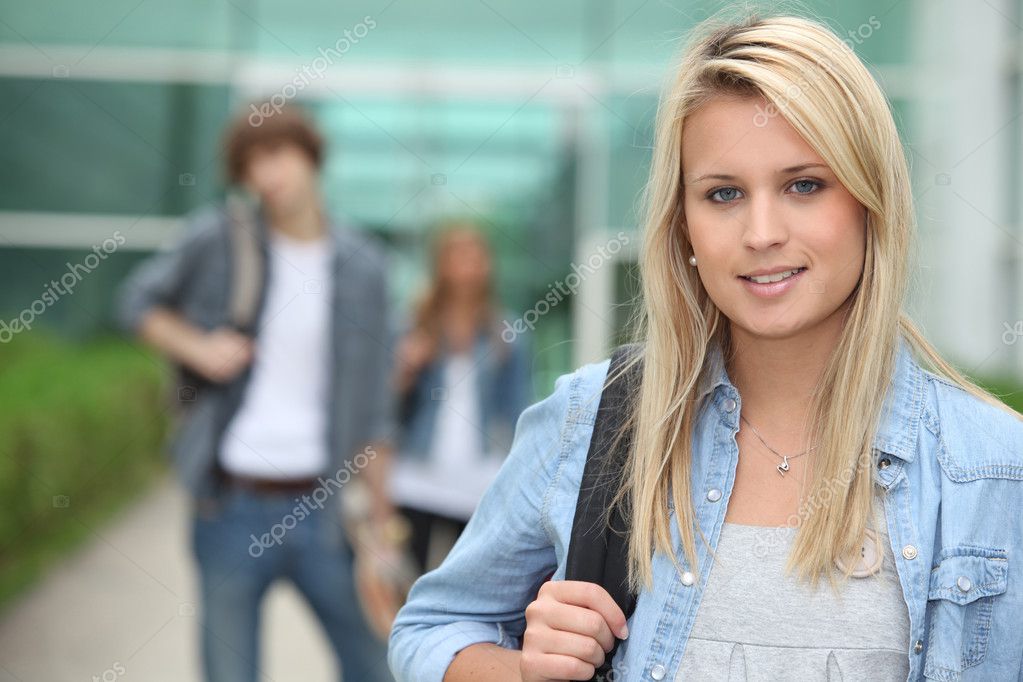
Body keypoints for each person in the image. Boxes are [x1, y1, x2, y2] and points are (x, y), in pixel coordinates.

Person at [388, 13, 1023, 682]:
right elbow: (430, 629)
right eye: (722, 194)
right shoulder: (594, 422)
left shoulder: (992, 470)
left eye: (803, 185)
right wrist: (520, 670)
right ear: (683, 227)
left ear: (870, 201)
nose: (760, 232)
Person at [117, 105, 396, 682]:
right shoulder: (220, 238)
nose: (267, 176)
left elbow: (374, 408)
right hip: (230, 506)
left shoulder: (364, 265)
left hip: (326, 509)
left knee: (374, 664)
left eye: (277, 156)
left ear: (309, 156)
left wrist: (383, 527)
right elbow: (136, 302)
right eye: (251, 166)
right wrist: (196, 347)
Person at [389, 223, 533, 574]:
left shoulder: (506, 333)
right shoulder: (413, 325)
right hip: (417, 475)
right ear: (440, 265)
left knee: (465, 580)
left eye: (475, 256)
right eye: (457, 256)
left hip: (477, 479)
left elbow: (518, 409)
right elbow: (386, 403)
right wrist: (406, 368)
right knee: (407, 581)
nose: (467, 266)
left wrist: (518, 475)